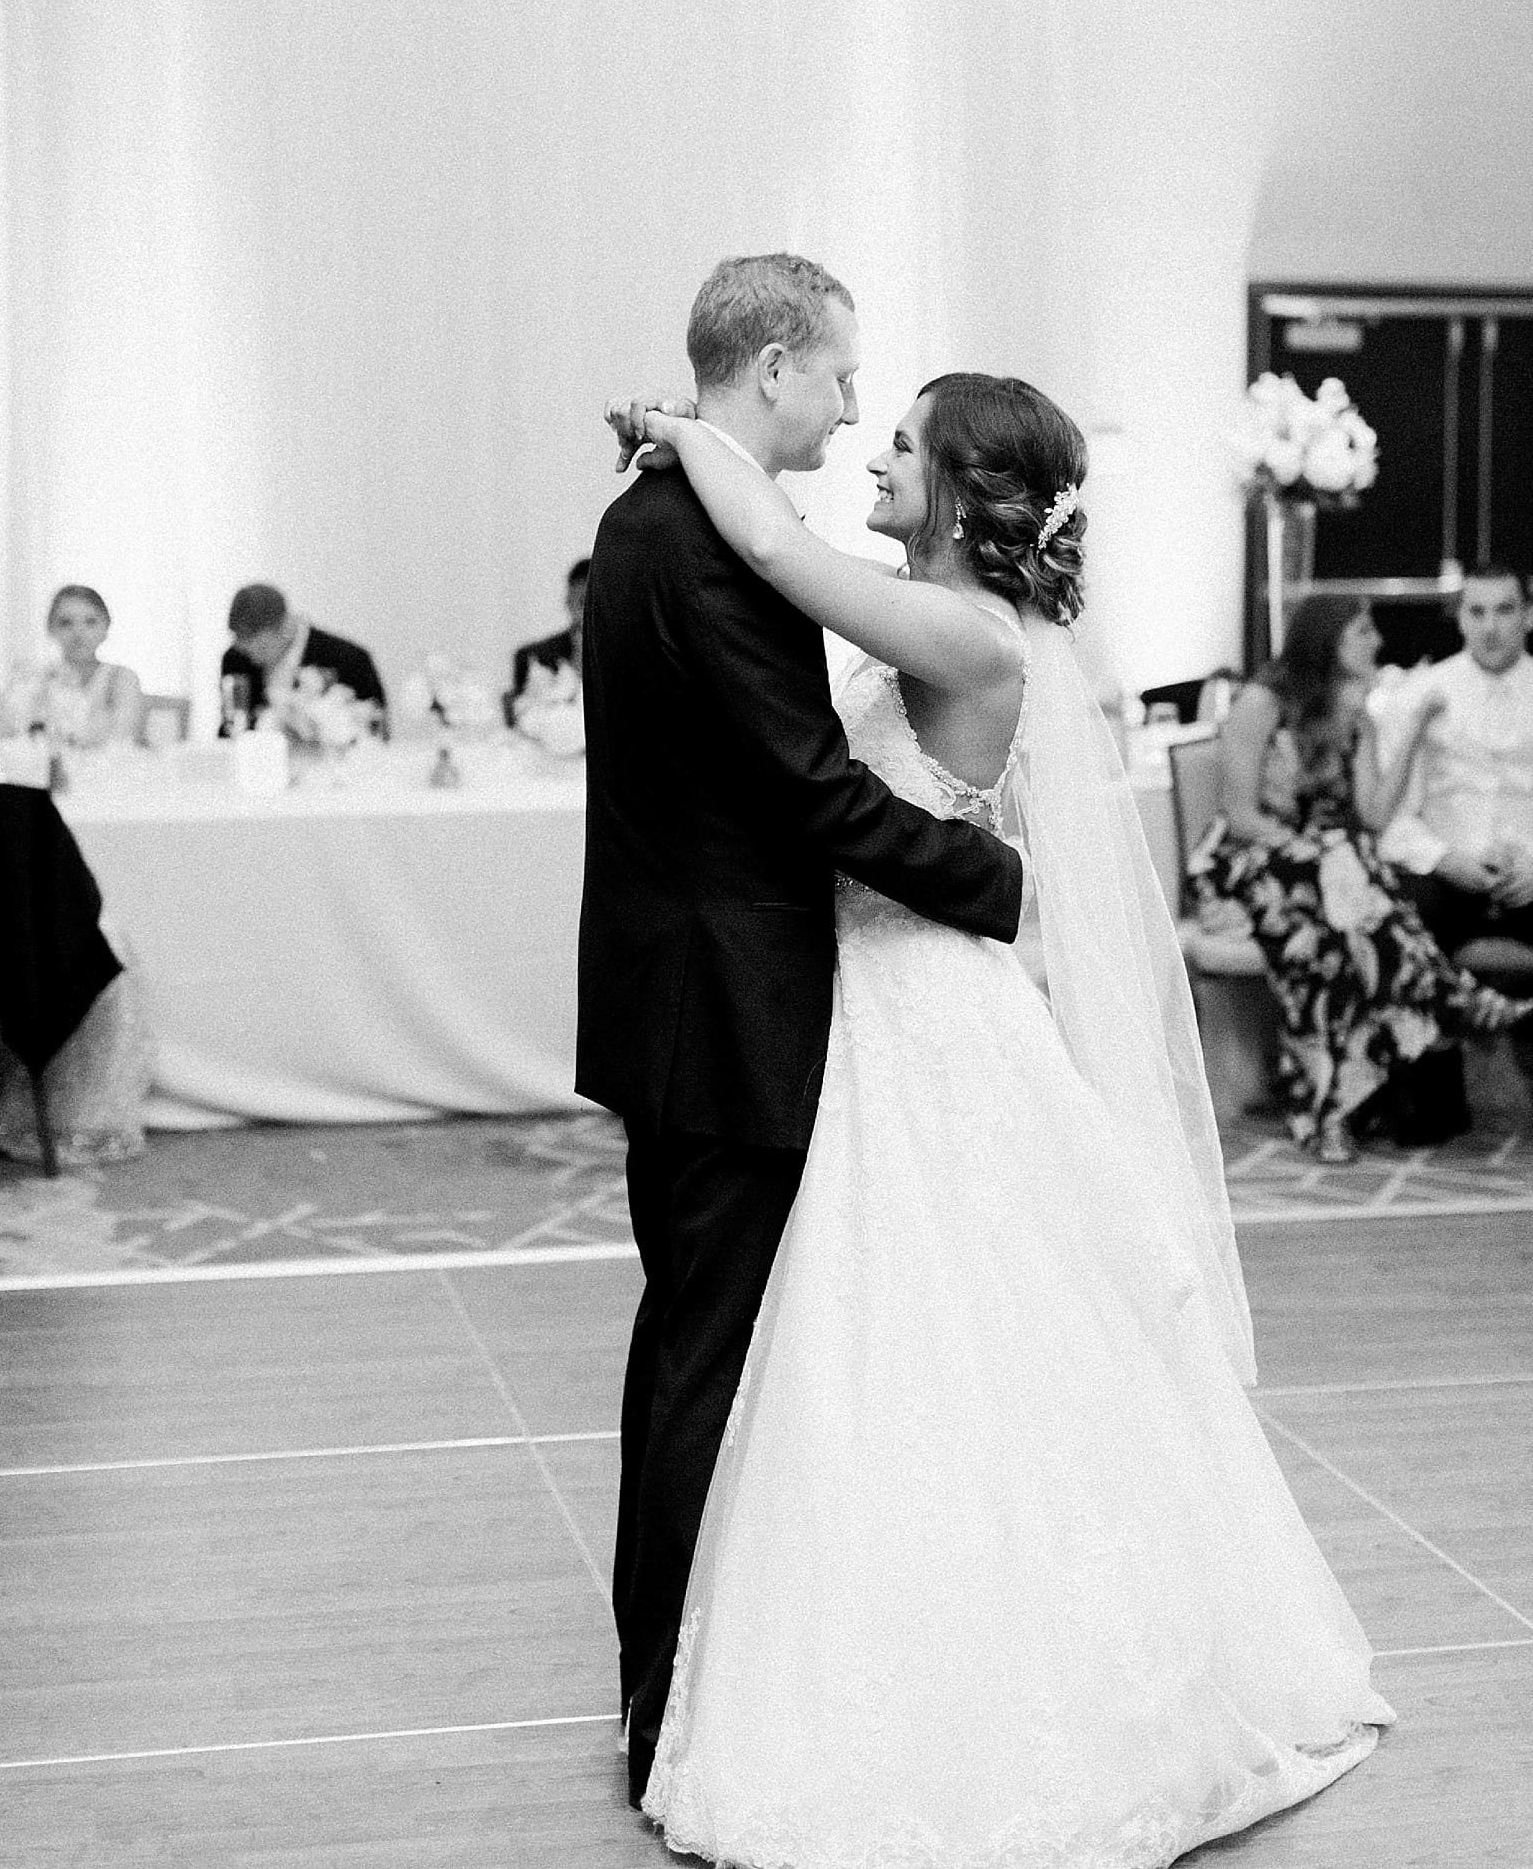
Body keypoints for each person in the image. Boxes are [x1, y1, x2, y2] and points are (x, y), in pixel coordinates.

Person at [619, 372, 1393, 1867]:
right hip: (866, 1012)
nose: (876, 452)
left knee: (951, 1339)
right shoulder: (935, 614)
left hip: (927, 1018)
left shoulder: (972, 636)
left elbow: (780, 562)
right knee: (886, 1352)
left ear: (970, 496)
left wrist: (690, 433)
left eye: (901, 441)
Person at [579, 256, 1026, 1813]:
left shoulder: (656, 511)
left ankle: (696, 1676)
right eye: (839, 380)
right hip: (730, 1012)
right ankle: (671, 1708)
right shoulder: (704, 539)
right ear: (770, 366)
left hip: (698, 1004)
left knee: (718, 1351)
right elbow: (809, 790)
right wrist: (991, 878)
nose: (850, 414)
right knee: (712, 1362)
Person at [1189, 592, 1529, 1163]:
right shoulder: (1261, 701)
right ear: (1329, 639)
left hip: (1325, 875)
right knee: (1344, 867)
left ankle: (1330, 1116)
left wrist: (1412, 730)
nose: (1378, 642)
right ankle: (1449, 997)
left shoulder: (1358, 713)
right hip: (1246, 861)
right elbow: (1241, 812)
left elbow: (1373, 814)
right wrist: (1313, 851)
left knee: (1324, 942)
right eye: (1365, 631)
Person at [1376, 563, 1533, 956]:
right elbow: (1391, 818)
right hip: (1446, 878)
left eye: (1505, 610)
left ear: (1529, 615)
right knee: (1398, 910)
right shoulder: (1418, 695)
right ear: (1460, 618)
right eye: (1477, 612)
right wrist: (1445, 859)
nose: (1490, 628)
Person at [218, 583, 387, 736]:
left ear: (286, 626)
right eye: (246, 650)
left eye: (262, 648)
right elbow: (229, 730)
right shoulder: (235, 660)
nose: (253, 658)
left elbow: (374, 730)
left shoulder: (349, 659)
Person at [0, 586, 144, 749]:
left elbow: (122, 737)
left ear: (106, 627)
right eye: (66, 623)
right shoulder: (35, 678)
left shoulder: (121, 678)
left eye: (90, 622)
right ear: (50, 628)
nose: (78, 633)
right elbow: (4, 732)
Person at [505, 557, 590, 721]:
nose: (586, 608)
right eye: (581, 600)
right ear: (568, 600)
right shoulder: (533, 656)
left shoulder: (632, 655)